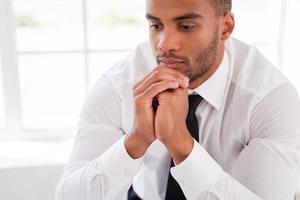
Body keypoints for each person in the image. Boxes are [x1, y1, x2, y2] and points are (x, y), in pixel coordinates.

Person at [55, 0, 300, 199]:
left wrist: (181, 144)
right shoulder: (120, 85)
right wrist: (137, 140)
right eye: (156, 25)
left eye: (186, 27)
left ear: (225, 27)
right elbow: (68, 195)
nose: (164, 44)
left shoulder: (270, 98)